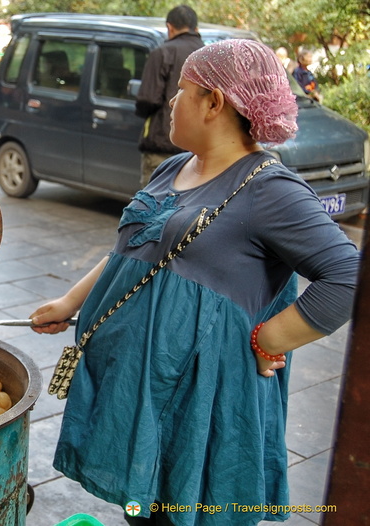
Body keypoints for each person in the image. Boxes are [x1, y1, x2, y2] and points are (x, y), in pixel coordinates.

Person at [30, 39, 359, 525]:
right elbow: (132, 248)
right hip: (138, 390)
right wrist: (70, 300)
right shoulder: (172, 167)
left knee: (182, 511)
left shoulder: (269, 188)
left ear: (213, 102)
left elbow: (349, 276)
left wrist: (272, 338)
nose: (170, 103)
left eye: (180, 91)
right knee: (142, 508)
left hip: (196, 401)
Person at [135, 5, 204, 186]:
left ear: (170, 27)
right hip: (197, 149)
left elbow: (147, 99)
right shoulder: (209, 55)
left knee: (152, 206)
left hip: (162, 146)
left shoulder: (162, 53)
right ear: (195, 28)